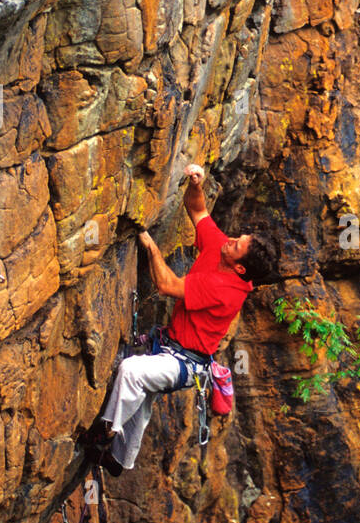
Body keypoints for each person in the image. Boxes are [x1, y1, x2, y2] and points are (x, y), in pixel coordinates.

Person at [88, 163, 277, 475]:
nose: (230, 239)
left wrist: (151, 248)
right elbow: (198, 211)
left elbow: (167, 286)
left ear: (240, 267)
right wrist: (195, 184)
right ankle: (120, 460)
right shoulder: (221, 249)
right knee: (141, 395)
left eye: (237, 245)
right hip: (171, 346)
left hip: (186, 364)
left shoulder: (227, 289)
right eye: (237, 237)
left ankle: (104, 434)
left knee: (132, 372)